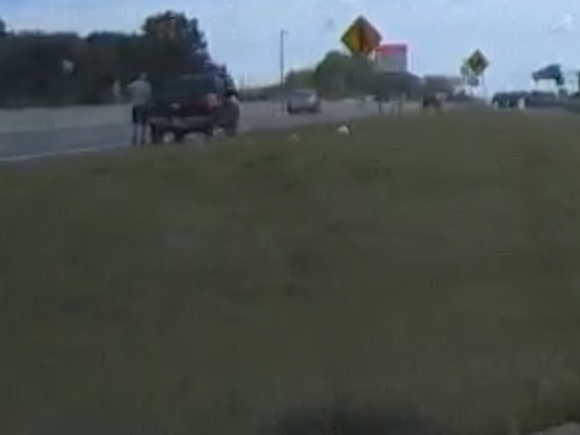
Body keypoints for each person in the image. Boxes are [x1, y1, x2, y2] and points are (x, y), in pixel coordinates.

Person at [126, 73, 152, 146]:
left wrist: (132, 96)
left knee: (135, 122)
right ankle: (142, 138)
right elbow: (149, 95)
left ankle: (134, 137)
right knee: (144, 123)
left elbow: (128, 89)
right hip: (144, 105)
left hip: (136, 105)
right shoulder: (147, 85)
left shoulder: (134, 84)